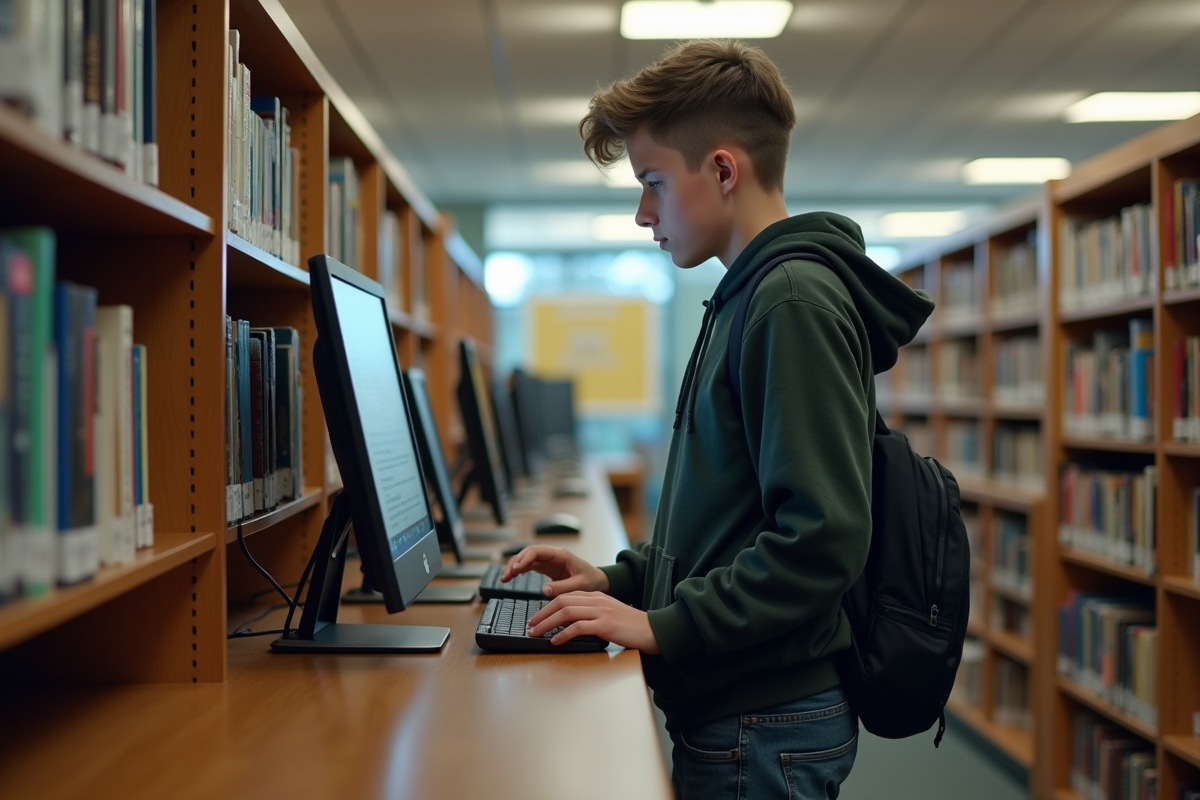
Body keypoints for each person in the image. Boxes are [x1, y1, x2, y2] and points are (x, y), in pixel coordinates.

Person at [503, 39, 934, 799]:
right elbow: (728, 518)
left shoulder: (790, 301)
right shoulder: (749, 295)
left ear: (724, 170)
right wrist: (620, 579)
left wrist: (664, 626)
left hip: (765, 722)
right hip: (747, 710)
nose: (643, 213)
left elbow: (822, 539)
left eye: (654, 183)